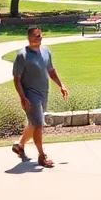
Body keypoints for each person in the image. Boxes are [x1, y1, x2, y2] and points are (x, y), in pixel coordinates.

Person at [12, 27, 67, 168]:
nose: (40, 38)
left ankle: (19, 145)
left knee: (33, 123)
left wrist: (61, 85)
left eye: (41, 35)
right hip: (30, 95)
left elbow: (51, 70)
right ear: (30, 38)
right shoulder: (22, 56)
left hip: (43, 93)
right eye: (37, 36)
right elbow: (17, 79)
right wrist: (23, 98)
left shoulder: (46, 51)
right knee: (38, 125)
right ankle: (42, 156)